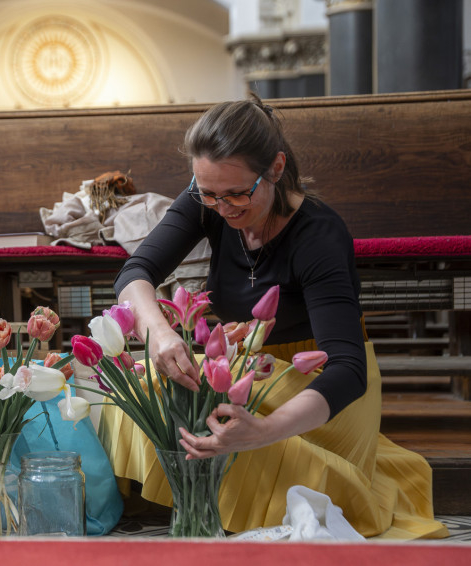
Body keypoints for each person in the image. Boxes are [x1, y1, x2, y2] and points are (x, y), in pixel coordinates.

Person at [103, 94, 447, 539]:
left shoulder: (318, 235)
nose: (223, 208)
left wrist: (263, 431)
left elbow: (347, 370)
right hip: (246, 371)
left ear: (277, 168)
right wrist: (161, 334)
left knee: (201, 405)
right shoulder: (209, 197)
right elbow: (135, 273)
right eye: (208, 194)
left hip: (317, 386)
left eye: (237, 194)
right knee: (141, 382)